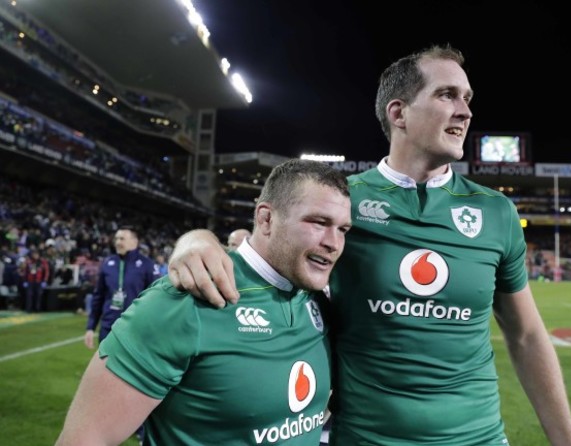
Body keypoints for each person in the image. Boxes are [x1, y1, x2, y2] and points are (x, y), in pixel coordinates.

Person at [167, 44, 571, 445]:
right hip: (367, 438)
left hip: (477, 438)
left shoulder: (496, 213)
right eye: (447, 94)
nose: (466, 110)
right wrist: (194, 240)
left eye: (468, 98)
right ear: (399, 112)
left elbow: (526, 335)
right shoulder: (344, 201)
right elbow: (260, 246)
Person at [55, 159, 352, 445]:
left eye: (342, 229)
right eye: (319, 222)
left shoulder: (318, 302)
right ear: (266, 219)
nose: (334, 243)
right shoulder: (185, 300)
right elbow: (84, 439)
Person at [84, 226, 159, 349]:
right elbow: (98, 297)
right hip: (108, 328)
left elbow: (156, 300)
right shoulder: (108, 264)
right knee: (104, 366)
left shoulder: (147, 265)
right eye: (116, 239)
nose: (118, 242)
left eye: (122, 239)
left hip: (135, 329)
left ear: (134, 242)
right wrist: (90, 327)